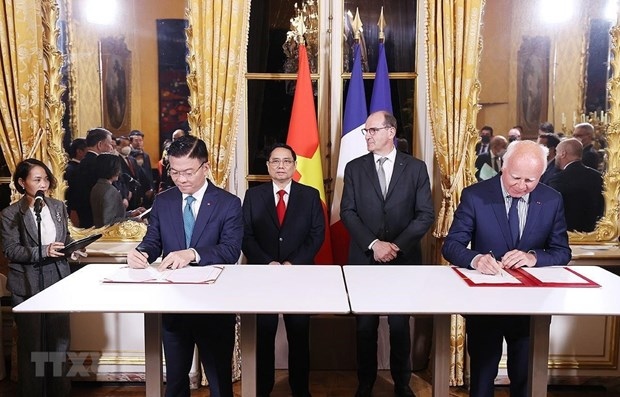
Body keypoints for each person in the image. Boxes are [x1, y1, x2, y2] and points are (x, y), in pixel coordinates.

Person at [442, 140, 571, 397]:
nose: (522, 186)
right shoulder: (475, 196)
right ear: (503, 166)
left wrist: (534, 257)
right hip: (485, 306)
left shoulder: (552, 199)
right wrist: (476, 259)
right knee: (482, 379)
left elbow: (562, 251)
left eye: (530, 180)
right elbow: (451, 245)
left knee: (524, 378)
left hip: (531, 307)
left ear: (541, 175)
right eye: (516, 178)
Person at [126, 135, 243, 397]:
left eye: (188, 172)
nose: (181, 179)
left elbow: (230, 250)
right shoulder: (164, 201)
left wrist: (191, 253)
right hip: (174, 303)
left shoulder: (228, 203)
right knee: (176, 380)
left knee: (219, 380)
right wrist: (140, 253)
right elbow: (153, 241)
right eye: (175, 172)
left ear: (206, 167)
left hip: (214, 305)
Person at [340, 111, 435, 397]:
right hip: (364, 259)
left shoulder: (416, 168)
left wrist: (395, 246)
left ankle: (402, 384)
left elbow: (424, 214)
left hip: (403, 260)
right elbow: (348, 212)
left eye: (372, 130)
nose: (367, 135)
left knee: (399, 325)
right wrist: (374, 244)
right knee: (365, 326)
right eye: (366, 132)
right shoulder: (355, 168)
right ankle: (365, 383)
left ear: (390, 132)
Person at [242, 143, 324, 397]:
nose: (280, 166)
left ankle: (300, 390)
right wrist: (268, 263)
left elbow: (316, 235)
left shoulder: (310, 196)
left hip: (298, 276)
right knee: (263, 336)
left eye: (286, 161)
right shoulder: (253, 196)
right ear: (267, 166)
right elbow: (246, 236)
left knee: (299, 337)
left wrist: (292, 263)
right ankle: (262, 389)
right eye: (275, 161)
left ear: (294, 165)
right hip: (263, 276)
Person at [0, 159, 86, 396]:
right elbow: (11, 250)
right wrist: (43, 250)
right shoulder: (10, 214)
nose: (43, 184)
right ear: (21, 182)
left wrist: (73, 248)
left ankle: (60, 392)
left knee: (59, 343)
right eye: (37, 179)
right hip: (27, 282)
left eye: (46, 179)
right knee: (32, 345)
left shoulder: (58, 206)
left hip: (57, 278)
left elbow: (64, 238)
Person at [548, 138, 604, 232]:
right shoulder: (598, 176)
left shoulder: (558, 179)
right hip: (593, 233)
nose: (556, 157)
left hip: (567, 233)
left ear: (563, 154)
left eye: (557, 153)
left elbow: (552, 209)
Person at [73, 127, 115, 228]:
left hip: (86, 214)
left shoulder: (84, 161)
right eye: (109, 144)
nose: (111, 148)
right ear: (100, 145)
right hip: (97, 216)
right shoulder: (98, 164)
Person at [90, 153, 145, 227]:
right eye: (118, 168)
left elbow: (113, 214)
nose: (119, 172)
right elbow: (109, 222)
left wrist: (131, 213)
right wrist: (135, 219)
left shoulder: (97, 186)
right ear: (111, 169)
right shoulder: (109, 191)